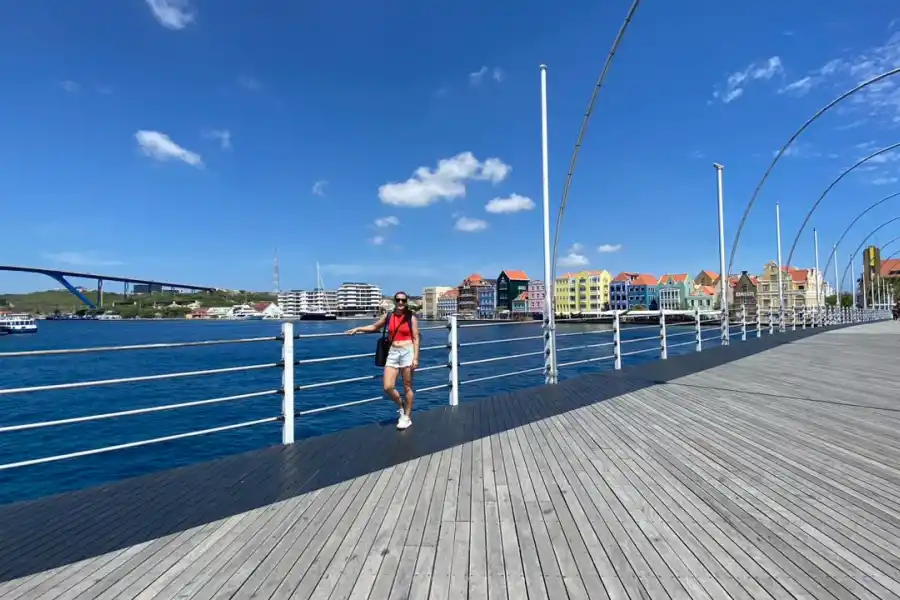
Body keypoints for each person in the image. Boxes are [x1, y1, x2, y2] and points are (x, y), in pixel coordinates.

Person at [346, 291, 419, 430]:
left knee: (407, 386)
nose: (401, 303)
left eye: (404, 300)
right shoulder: (389, 316)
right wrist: (358, 328)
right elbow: (374, 327)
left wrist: (415, 358)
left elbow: (416, 338)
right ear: (394, 301)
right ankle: (401, 406)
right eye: (398, 300)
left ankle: (406, 417)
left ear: (407, 301)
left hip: (407, 351)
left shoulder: (411, 318)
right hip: (392, 352)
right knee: (388, 387)